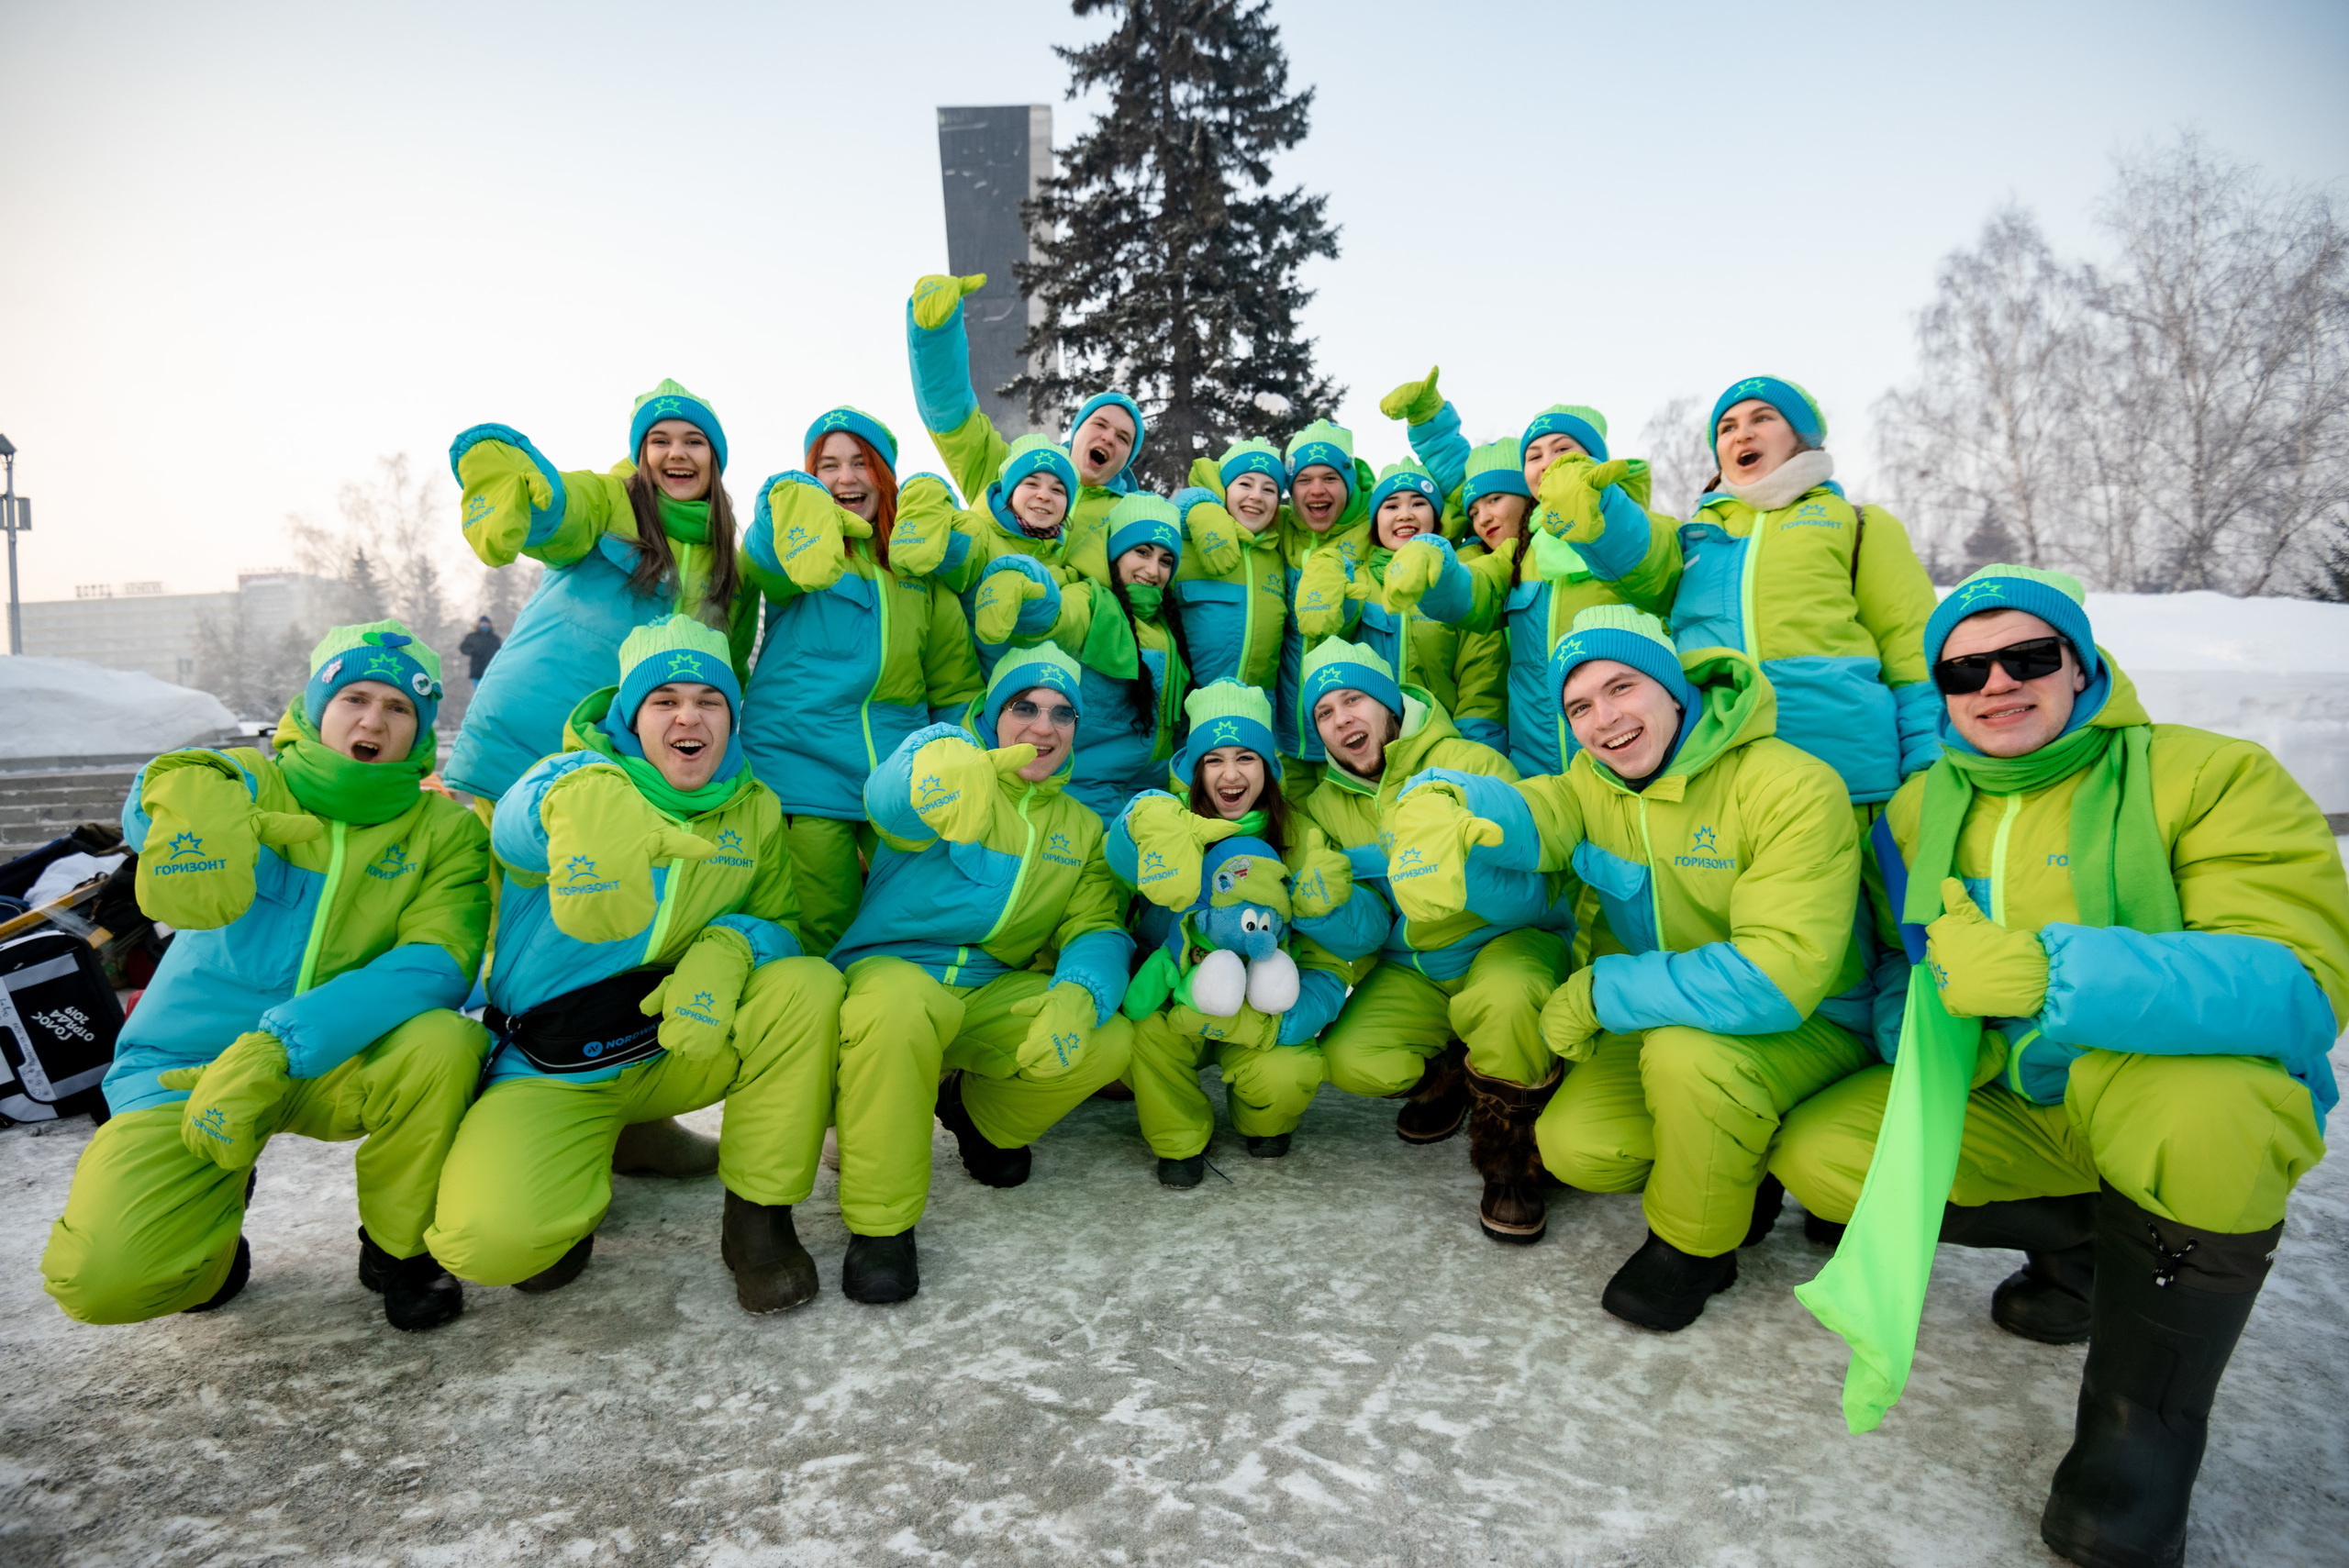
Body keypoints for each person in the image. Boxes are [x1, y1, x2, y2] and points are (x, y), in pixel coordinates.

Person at [1766, 566, 2349, 1568]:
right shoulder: (1915, 810)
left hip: (2153, 1086)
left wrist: (2051, 970)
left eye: (2027, 656)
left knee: (2211, 1109)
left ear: (2080, 664)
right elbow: (1909, 958)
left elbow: (2298, 984)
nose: (1995, 683)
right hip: (2014, 1091)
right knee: (1827, 1153)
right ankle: (2089, 1251)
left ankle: (2141, 1426)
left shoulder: (2209, 773)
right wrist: (1923, 1025)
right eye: (1962, 670)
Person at [1390, 606, 1871, 1319]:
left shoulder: (1788, 785)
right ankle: (1738, 1162)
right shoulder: (1596, 782)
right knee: (1576, 1145)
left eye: (1622, 687)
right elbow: (1536, 813)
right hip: (1663, 1006)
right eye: (1579, 706)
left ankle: (1693, 1249)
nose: (1603, 718)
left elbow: (1776, 978)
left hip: (1810, 1022)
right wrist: (1445, 797)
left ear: (1673, 688)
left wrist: (1599, 992)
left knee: (1689, 1058)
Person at [423, 617, 882, 1310]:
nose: (688, 716)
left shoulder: (754, 807)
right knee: (496, 1244)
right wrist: (573, 806)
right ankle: (586, 1171)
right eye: (665, 700)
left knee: (806, 987)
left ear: (731, 718)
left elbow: (780, 925)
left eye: (709, 700)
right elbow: (517, 831)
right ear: (631, 717)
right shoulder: (571, 781)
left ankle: (758, 1217)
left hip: (678, 1041)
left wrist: (731, 947)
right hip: (558, 1061)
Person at [43, 621, 489, 1332]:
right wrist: (180, 787)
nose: (373, 719)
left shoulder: (446, 830)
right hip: (190, 1060)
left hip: (341, 1056)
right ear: (316, 707)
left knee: (447, 1044)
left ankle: (397, 1248)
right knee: (104, 1281)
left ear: (420, 728)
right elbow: (170, 796)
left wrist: (281, 1044)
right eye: (354, 698)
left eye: (399, 707)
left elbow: (438, 961)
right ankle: (212, 1243)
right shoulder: (252, 783)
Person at [1295, 640, 1581, 1242]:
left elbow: (1540, 892)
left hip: (1504, 939)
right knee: (1351, 1058)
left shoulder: (1469, 762)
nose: (1342, 719)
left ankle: (1512, 1162)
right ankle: (1452, 1075)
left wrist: (1459, 867)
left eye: (1354, 699)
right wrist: (1325, 905)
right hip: (1415, 963)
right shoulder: (1322, 806)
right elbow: (1369, 929)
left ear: (1389, 704)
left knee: (1508, 1003)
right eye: (1324, 712)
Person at [1539, 374, 1939, 805]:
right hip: (1721, 781)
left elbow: (1911, 650)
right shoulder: (1693, 538)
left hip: (1849, 772)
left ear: (1801, 437)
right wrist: (1602, 506)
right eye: (1727, 428)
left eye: (1762, 418)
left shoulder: (1858, 524)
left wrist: (1928, 764)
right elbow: (1638, 550)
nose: (1742, 434)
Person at [829, 645, 1137, 1201]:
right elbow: (889, 806)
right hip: (893, 978)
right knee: (897, 1011)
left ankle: (977, 1116)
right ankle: (881, 1223)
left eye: (1062, 713)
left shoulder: (1083, 827)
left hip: (987, 990)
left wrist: (1080, 992)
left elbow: (1096, 925)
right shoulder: (956, 772)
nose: (1043, 727)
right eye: (1025, 707)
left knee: (1107, 1038)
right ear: (994, 716)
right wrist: (928, 764)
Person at [1105, 682, 1376, 1184]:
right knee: (1145, 1039)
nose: (1231, 775)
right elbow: (1121, 863)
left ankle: (1261, 1122)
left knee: (1289, 1073)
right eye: (1214, 760)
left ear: (1267, 767)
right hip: (1178, 997)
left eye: (1246, 758)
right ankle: (1180, 1140)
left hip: (1262, 1006)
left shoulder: (1299, 836)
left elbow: (1331, 960)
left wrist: (1289, 1020)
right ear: (1195, 770)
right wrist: (1137, 820)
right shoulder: (1169, 824)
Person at [737, 406, 982, 954]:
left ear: (884, 476)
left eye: (860, 463)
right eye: (828, 465)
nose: (845, 478)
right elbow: (760, 557)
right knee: (817, 930)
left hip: (895, 779)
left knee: (907, 920)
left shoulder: (917, 572)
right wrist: (784, 500)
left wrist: (961, 757)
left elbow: (953, 688)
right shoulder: (800, 558)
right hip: (803, 775)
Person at [444, 379, 755, 806]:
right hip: (537, 736)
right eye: (660, 440)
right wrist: (515, 478)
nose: (676, 453)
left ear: (714, 458)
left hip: (637, 762)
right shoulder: (608, 501)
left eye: (693, 441)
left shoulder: (729, 563)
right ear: (641, 454)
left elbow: (728, 670)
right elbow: (561, 510)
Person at [1376, 368, 1680, 775]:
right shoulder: (1521, 553)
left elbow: (1647, 563)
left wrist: (1600, 511)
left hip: (1628, 748)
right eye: (1534, 456)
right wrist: (1439, 570)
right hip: (1539, 759)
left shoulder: (1639, 527)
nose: (1547, 462)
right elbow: (1477, 590)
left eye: (1562, 449)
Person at [905, 272, 1196, 587]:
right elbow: (951, 415)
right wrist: (935, 336)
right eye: (1100, 424)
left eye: (1124, 438)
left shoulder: (1132, 520)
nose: (1109, 437)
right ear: (1077, 431)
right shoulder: (1009, 469)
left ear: (1127, 459)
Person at [972, 494, 1195, 822]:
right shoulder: (1091, 601)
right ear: (1115, 553)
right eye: (1142, 552)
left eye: (1165, 560)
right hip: (1079, 795)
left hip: (1146, 793)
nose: (1153, 570)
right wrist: (1028, 595)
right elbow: (1060, 618)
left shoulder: (1168, 626)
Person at [1296, 459, 1508, 752]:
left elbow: (1482, 679)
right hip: (1368, 751)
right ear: (1375, 521)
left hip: (1443, 747)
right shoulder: (1354, 583)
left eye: (1418, 504)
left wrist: (1472, 751)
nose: (1405, 515)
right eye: (1391, 506)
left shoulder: (1459, 582)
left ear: (1435, 516)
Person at [1274, 421, 1378, 790]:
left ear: (1348, 482)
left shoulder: (1376, 523)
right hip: (1286, 737)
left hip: (1358, 736)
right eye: (1304, 480)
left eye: (1330, 478)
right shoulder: (1278, 527)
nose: (1317, 490)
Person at [1166, 439, 1289, 696]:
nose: (1256, 496)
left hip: (1256, 710)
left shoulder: (1278, 558)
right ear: (1224, 489)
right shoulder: (1185, 545)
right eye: (1245, 484)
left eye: (1269, 489)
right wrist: (1196, 505)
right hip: (1188, 707)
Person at [459, 616, 503, 684]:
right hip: (477, 671)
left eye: (486, 623)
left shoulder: (495, 638)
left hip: (492, 671)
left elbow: (500, 653)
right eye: (483, 623)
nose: (484, 625)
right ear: (478, 624)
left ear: (490, 625)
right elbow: (463, 648)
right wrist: (474, 650)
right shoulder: (472, 637)